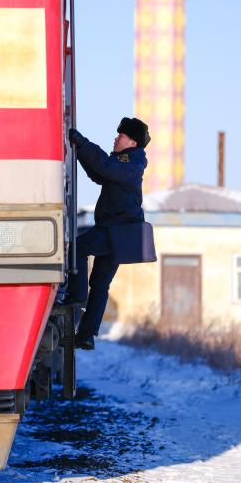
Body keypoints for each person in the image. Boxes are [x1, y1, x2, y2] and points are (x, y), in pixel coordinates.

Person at [64, 117, 151, 350]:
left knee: (78, 248)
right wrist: (79, 151)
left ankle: (76, 296)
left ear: (132, 142)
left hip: (117, 230)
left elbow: (106, 167)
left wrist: (83, 144)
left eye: (121, 136)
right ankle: (86, 335)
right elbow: (99, 174)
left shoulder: (132, 162)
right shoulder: (125, 163)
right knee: (100, 284)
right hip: (117, 233)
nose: (116, 139)